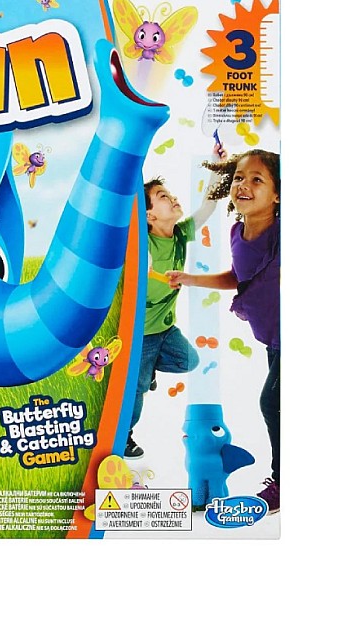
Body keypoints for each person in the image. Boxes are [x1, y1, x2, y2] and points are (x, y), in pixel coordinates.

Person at [167, 149, 280, 512]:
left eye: (257, 180)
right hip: (273, 338)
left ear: (278, 194)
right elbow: (237, 277)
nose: (243, 185)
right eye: (239, 177)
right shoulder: (237, 232)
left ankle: (283, 482)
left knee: (272, 402)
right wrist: (190, 278)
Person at [125, 143, 226, 460]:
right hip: (141, 333)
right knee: (138, 387)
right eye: (163, 197)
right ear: (149, 215)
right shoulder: (141, 242)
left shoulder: (181, 234)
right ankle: (125, 435)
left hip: (166, 329)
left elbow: (207, 207)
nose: (172, 198)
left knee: (189, 361)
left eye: (169, 193)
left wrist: (216, 166)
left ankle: (153, 367)